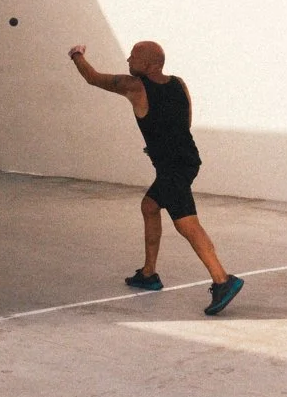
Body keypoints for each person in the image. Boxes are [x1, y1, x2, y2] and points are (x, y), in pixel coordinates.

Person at [68, 40, 242, 315]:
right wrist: (162, 146)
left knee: (187, 224)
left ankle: (222, 279)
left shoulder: (134, 86)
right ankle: (149, 273)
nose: (128, 60)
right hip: (186, 160)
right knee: (149, 206)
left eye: (133, 56)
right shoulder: (179, 84)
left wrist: (76, 55)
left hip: (172, 168)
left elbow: (93, 78)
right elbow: (184, 121)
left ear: (149, 64)